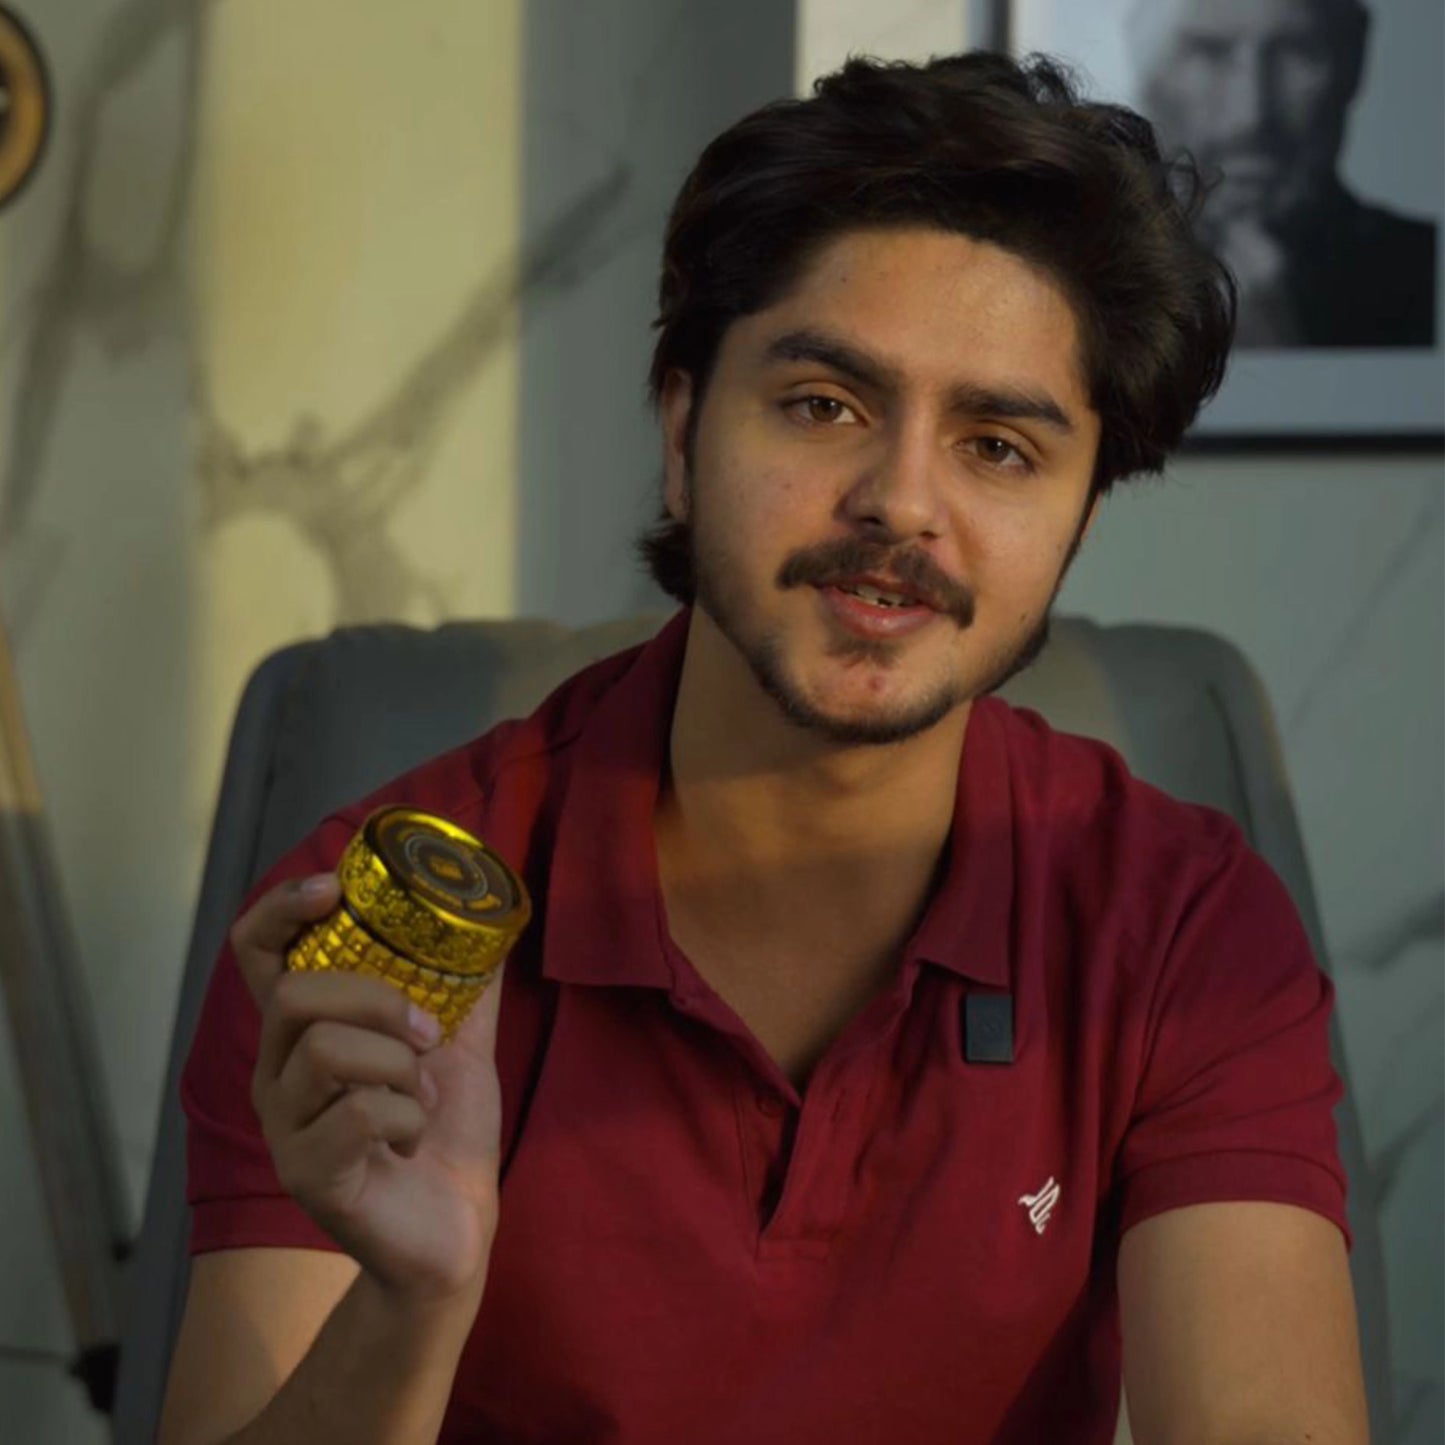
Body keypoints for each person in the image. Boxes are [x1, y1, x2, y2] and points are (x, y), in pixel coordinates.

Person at [159, 53, 1371, 1445]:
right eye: (821, 405)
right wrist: (408, 1300)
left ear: (1079, 518)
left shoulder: (1183, 926)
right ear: (683, 433)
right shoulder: (387, 922)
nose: (900, 502)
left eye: (997, 446)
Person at [1130, 0, 1438, 348]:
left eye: (1296, 52)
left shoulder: (1426, 271)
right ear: (1142, 67)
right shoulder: (1090, 265)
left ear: (1354, 60)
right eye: (1209, 53)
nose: (1251, 115)